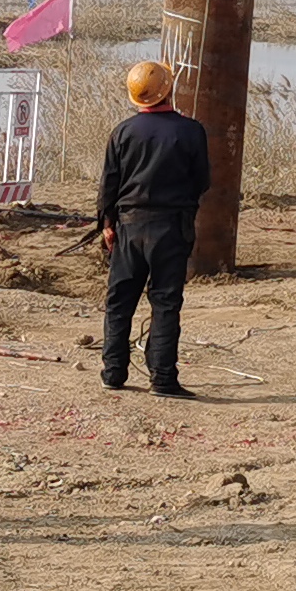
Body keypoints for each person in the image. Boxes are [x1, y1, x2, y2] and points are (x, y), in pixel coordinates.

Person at [93, 58, 212, 397]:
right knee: (165, 302)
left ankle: (113, 373)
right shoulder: (192, 131)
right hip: (172, 228)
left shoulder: (122, 132)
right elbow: (202, 181)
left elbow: (109, 185)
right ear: (169, 89)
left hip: (128, 228)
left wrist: (107, 224)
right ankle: (163, 378)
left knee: (120, 301)